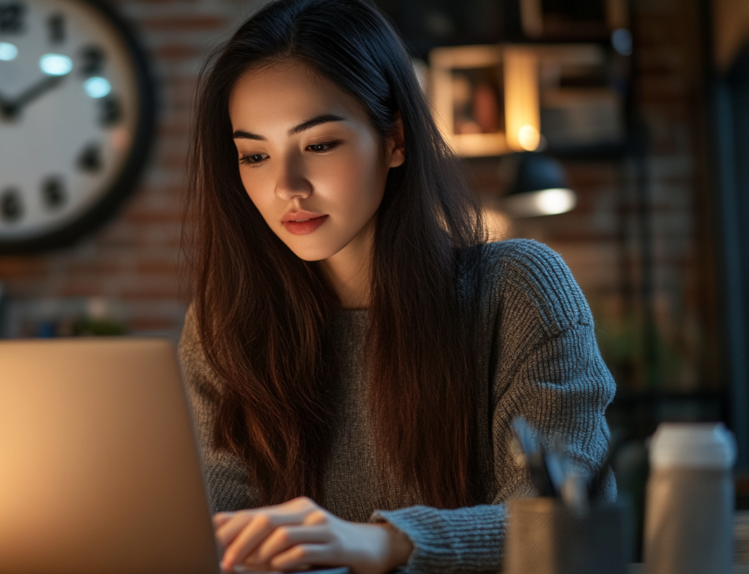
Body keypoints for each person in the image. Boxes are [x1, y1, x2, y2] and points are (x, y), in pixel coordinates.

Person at [178, 0, 616, 571]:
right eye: (255, 155)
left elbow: (564, 516)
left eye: (319, 145)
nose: (287, 186)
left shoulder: (517, 291)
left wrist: (382, 542)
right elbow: (217, 529)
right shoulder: (224, 321)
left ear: (395, 140)